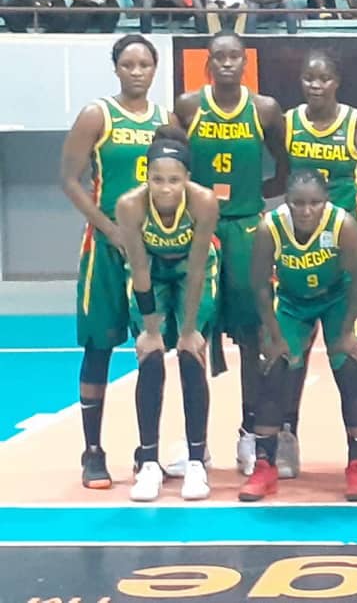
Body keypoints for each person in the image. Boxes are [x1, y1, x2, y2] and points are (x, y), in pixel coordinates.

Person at [170, 32, 289, 479]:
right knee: (193, 334)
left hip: (245, 228)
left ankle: (249, 433)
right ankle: (195, 444)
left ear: (244, 62)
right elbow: (172, 165)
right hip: (199, 229)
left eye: (233, 56)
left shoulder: (265, 110)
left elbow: (286, 165)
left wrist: (256, 196)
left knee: (252, 336)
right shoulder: (188, 106)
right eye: (218, 56)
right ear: (208, 62)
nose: (226, 63)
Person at [279, 50, 357, 478]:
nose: (316, 85)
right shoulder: (287, 124)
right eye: (308, 78)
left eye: (324, 78)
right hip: (297, 246)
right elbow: (277, 174)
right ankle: (285, 435)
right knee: (295, 345)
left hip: (349, 249)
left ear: (337, 82)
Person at [60, 35, 170, 491]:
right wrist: (109, 228)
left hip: (152, 249)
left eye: (145, 64)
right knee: (99, 347)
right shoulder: (97, 115)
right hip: (106, 250)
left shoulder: (166, 120)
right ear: (116, 68)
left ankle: (148, 453)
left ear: (155, 69)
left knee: (152, 348)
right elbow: (69, 179)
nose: (137, 71)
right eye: (128, 64)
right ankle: (93, 451)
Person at [238, 171, 357, 502]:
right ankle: (264, 464)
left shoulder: (344, 226)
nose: (306, 210)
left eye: (314, 203)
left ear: (326, 202)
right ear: (286, 202)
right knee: (274, 367)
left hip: (338, 297)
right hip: (291, 301)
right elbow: (259, 285)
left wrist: (347, 331)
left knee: (350, 365)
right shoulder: (271, 228)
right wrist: (274, 334)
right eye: (298, 203)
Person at [116, 128, 220, 503]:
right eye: (157, 179)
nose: (164, 188)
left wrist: (189, 330)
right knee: (150, 357)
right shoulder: (130, 205)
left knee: (191, 356)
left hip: (192, 270)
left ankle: (196, 460)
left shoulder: (203, 202)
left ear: (187, 178)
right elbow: (139, 268)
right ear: (146, 176)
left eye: (174, 180)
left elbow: (197, 270)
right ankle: (148, 463)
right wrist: (150, 330)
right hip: (153, 272)